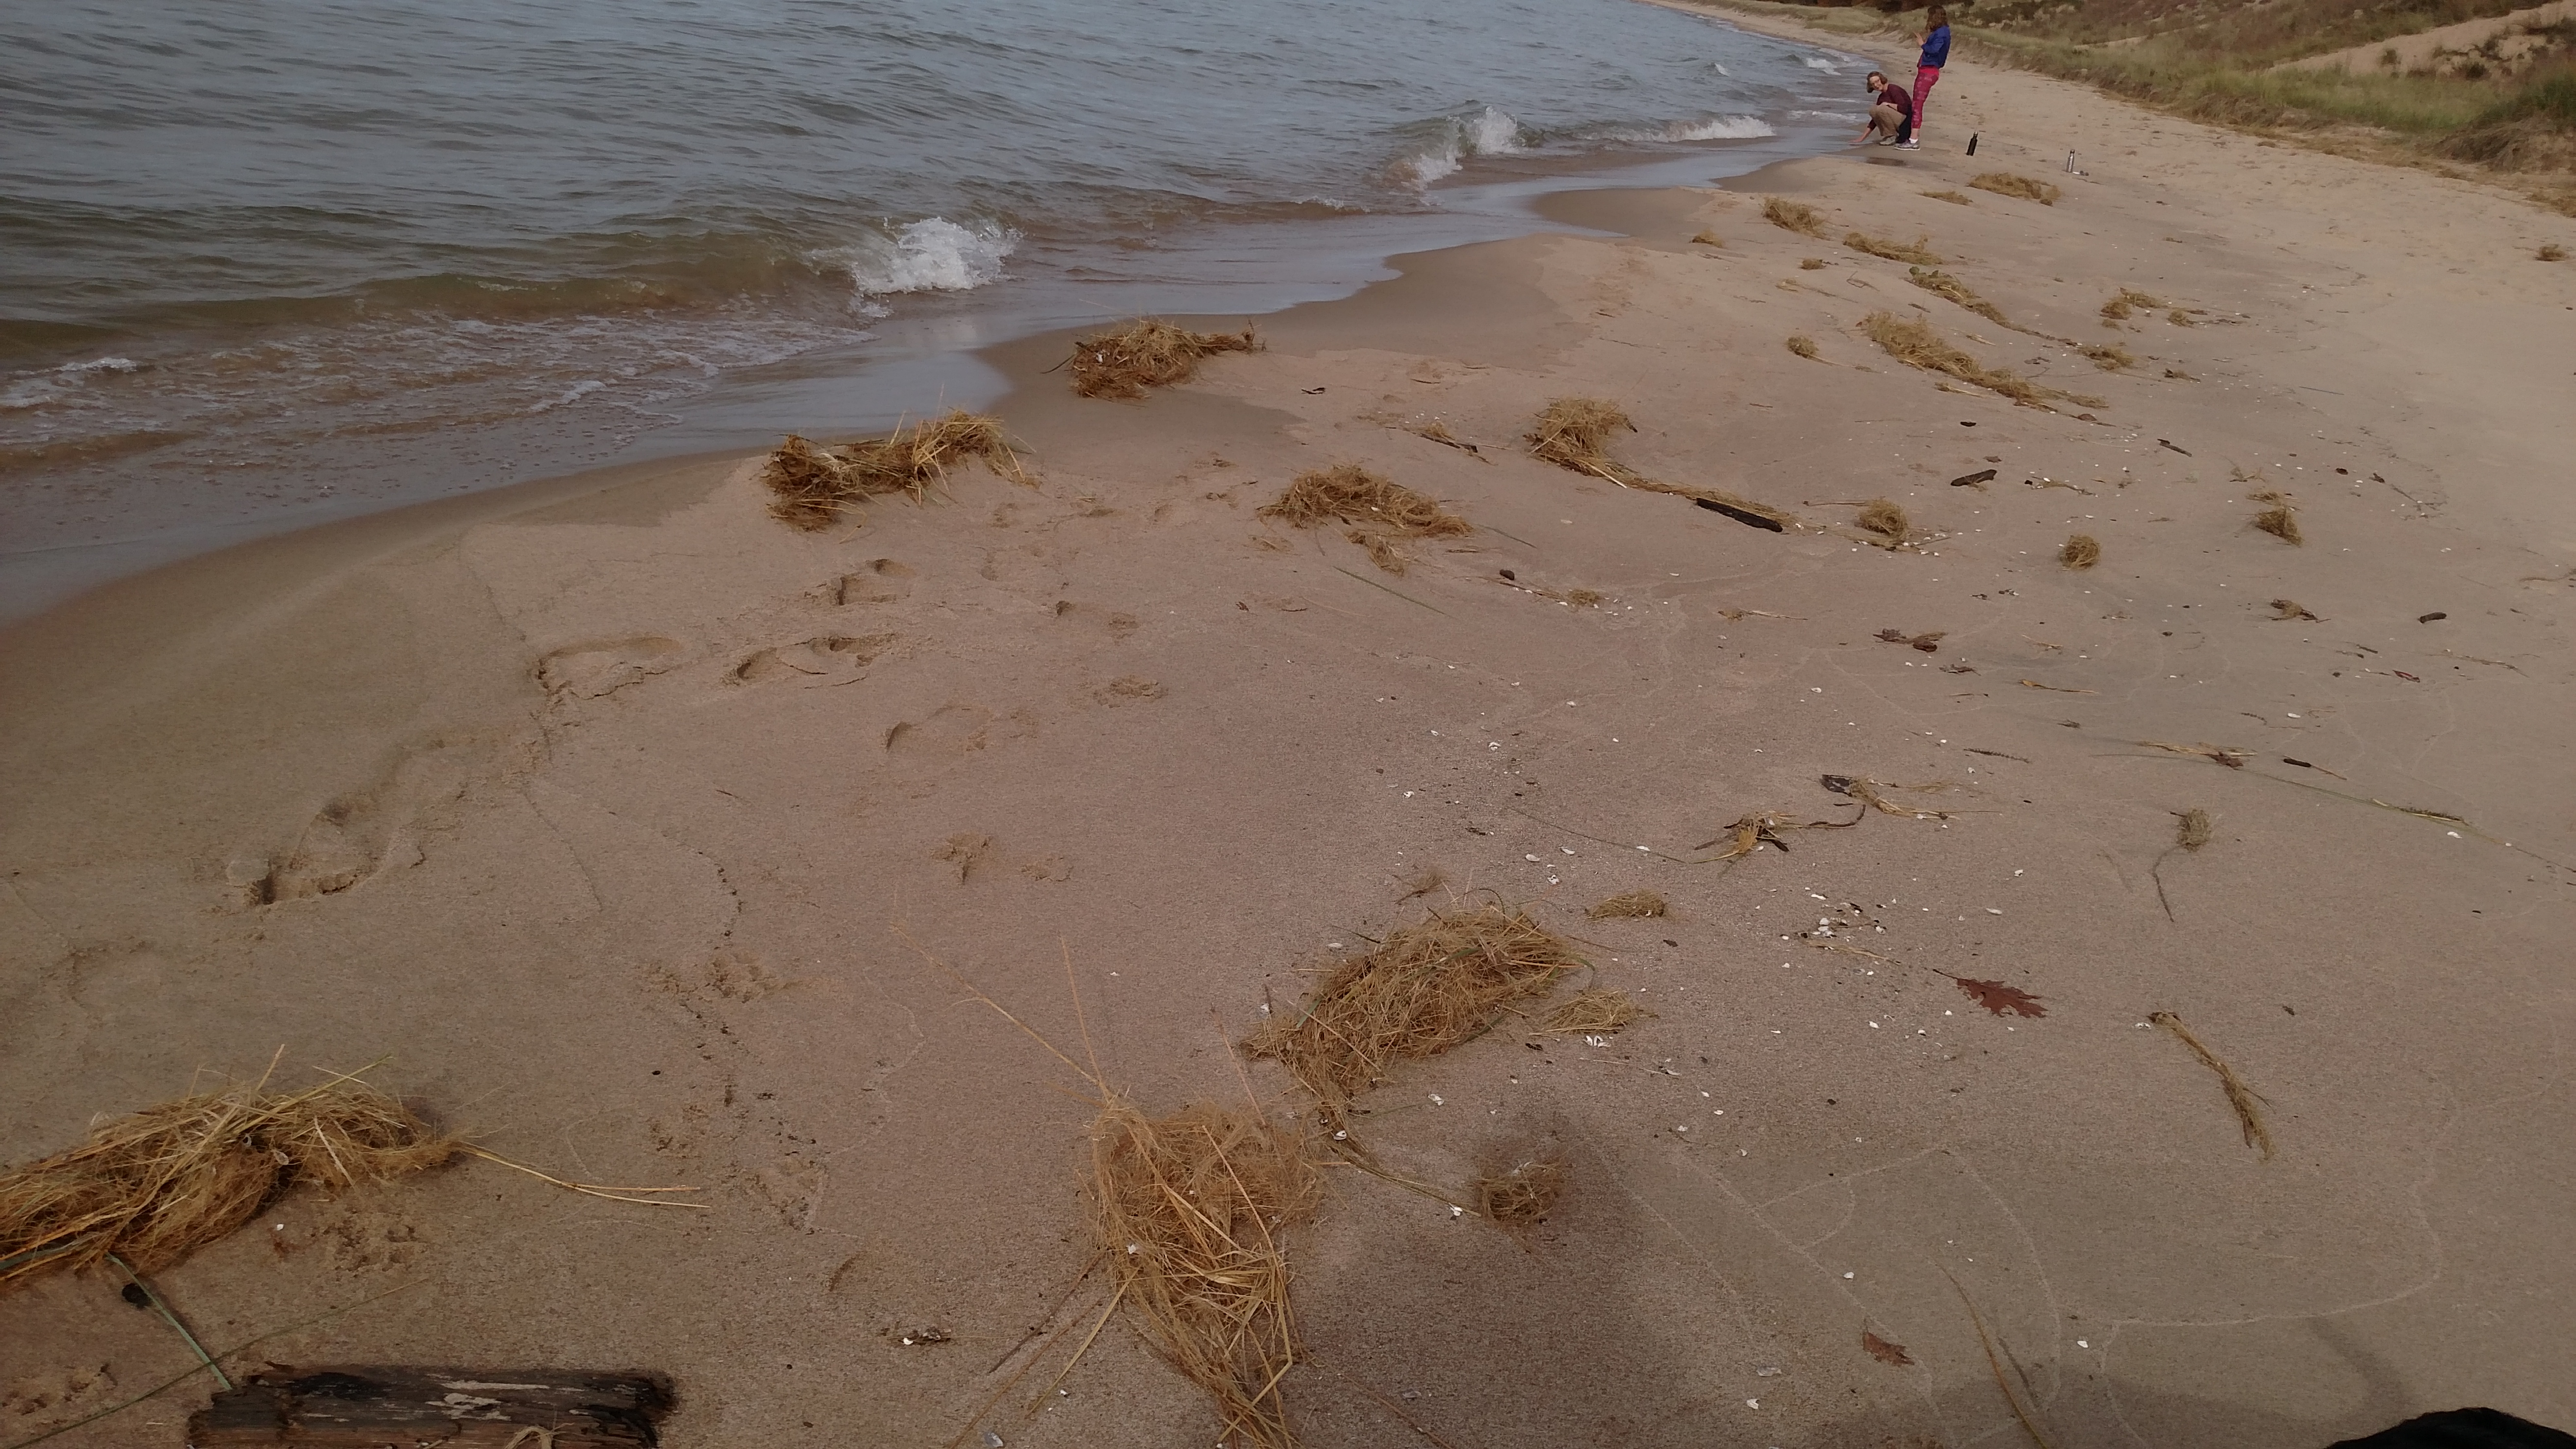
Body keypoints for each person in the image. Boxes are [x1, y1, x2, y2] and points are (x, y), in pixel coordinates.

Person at [1909, 4, 1951, 151]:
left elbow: (1934, 50)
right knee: (1916, 104)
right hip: (1928, 70)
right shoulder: (1943, 32)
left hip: (1929, 72)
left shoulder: (1942, 33)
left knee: (1917, 105)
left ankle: (1914, 140)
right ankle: (1912, 137)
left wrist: (1923, 45)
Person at [1854, 70, 1913, 146]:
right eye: (1873, 84)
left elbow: (1905, 109)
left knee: (1882, 108)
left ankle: (1892, 136)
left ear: (1882, 79)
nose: (1876, 85)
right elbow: (1874, 121)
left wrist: (1888, 105)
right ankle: (1889, 136)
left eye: (1877, 81)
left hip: (1908, 123)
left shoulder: (1893, 89)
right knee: (1873, 110)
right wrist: (1862, 138)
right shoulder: (1881, 97)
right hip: (1899, 122)